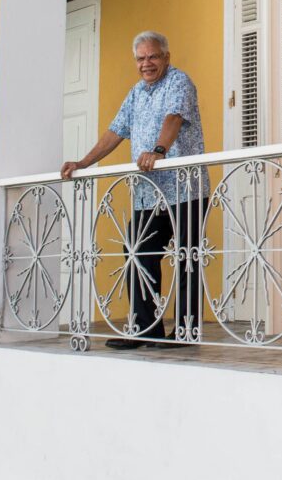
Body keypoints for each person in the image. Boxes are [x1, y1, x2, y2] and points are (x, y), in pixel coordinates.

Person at [61, 30, 206, 349]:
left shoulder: (178, 81)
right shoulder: (137, 92)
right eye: (140, 58)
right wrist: (84, 162)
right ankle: (145, 328)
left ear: (166, 57)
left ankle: (186, 331)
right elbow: (115, 131)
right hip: (148, 193)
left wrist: (158, 150)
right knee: (138, 253)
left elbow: (173, 117)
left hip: (185, 189)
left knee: (187, 257)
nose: (146, 63)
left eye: (153, 56)